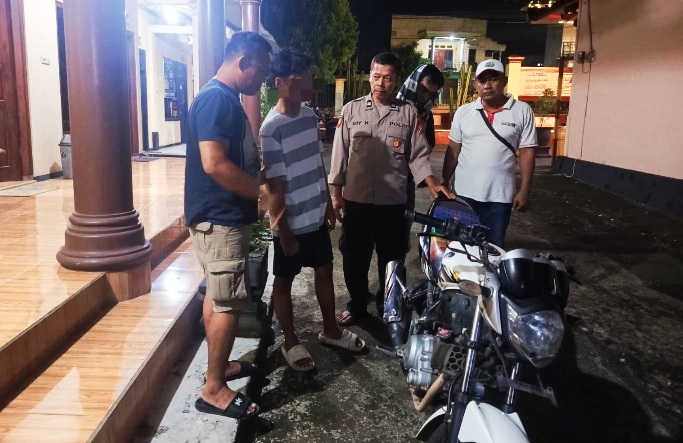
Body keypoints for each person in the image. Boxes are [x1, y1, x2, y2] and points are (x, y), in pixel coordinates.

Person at [329, 52, 454, 326]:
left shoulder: (409, 114)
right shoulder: (351, 111)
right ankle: (357, 305)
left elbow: (418, 156)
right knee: (354, 257)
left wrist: (432, 183)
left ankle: (389, 306)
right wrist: (336, 195)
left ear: (397, 81)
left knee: (392, 258)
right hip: (357, 200)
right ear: (370, 76)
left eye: (387, 78)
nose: (380, 83)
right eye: (376, 76)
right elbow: (339, 155)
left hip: (393, 203)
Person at [260, 49, 365, 372]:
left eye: (307, 78)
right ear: (279, 82)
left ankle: (330, 330)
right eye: (298, 79)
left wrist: (327, 204)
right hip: (290, 221)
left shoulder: (309, 117)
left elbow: (317, 163)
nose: (306, 85)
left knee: (324, 270)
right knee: (284, 280)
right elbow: (274, 185)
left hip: (315, 214)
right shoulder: (271, 128)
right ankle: (290, 341)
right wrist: (284, 230)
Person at [184, 31, 271, 420]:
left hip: (220, 217)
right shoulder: (217, 99)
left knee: (218, 297)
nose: (263, 79)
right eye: (261, 70)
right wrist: (260, 193)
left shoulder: (222, 97)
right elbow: (214, 163)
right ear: (243, 62)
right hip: (219, 219)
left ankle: (219, 368)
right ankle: (214, 389)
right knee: (228, 303)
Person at [441, 59, 537, 248]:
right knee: (461, 248)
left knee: (493, 249)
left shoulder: (522, 111)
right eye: (482, 80)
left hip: (500, 198)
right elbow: (453, 151)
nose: (487, 85)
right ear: (475, 84)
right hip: (464, 195)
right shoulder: (464, 112)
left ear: (504, 81)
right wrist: (444, 182)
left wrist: (525, 190)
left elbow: (527, 152)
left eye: (493, 79)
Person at [396, 64, 445, 251]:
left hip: (406, 182)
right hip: (379, 182)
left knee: (400, 238)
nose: (426, 97)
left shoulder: (425, 114)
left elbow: (425, 148)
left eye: (432, 94)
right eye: (423, 90)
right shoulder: (391, 107)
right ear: (414, 84)